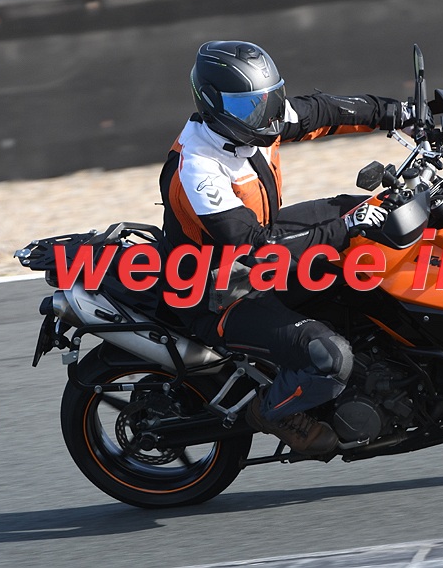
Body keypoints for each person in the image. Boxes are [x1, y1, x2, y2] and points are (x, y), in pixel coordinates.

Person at [158, 40, 409, 455]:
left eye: (269, 99)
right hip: (221, 292)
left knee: (371, 212)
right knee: (329, 357)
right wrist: (342, 229)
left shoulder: (255, 120)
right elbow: (255, 248)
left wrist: (398, 113)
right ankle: (272, 412)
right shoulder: (198, 169)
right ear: (213, 104)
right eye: (248, 106)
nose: (267, 114)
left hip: (257, 247)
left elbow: (324, 111)